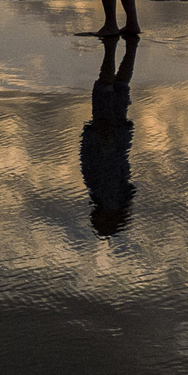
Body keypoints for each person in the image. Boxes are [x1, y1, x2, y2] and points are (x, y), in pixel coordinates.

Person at [80, 34, 137, 236]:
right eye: (98, 224)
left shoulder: (113, 200)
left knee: (119, 87)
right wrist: (104, 142)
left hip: (114, 139)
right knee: (106, 89)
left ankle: (130, 46)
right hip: (107, 140)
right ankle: (112, 47)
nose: (93, 220)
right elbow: (108, 169)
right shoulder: (109, 199)